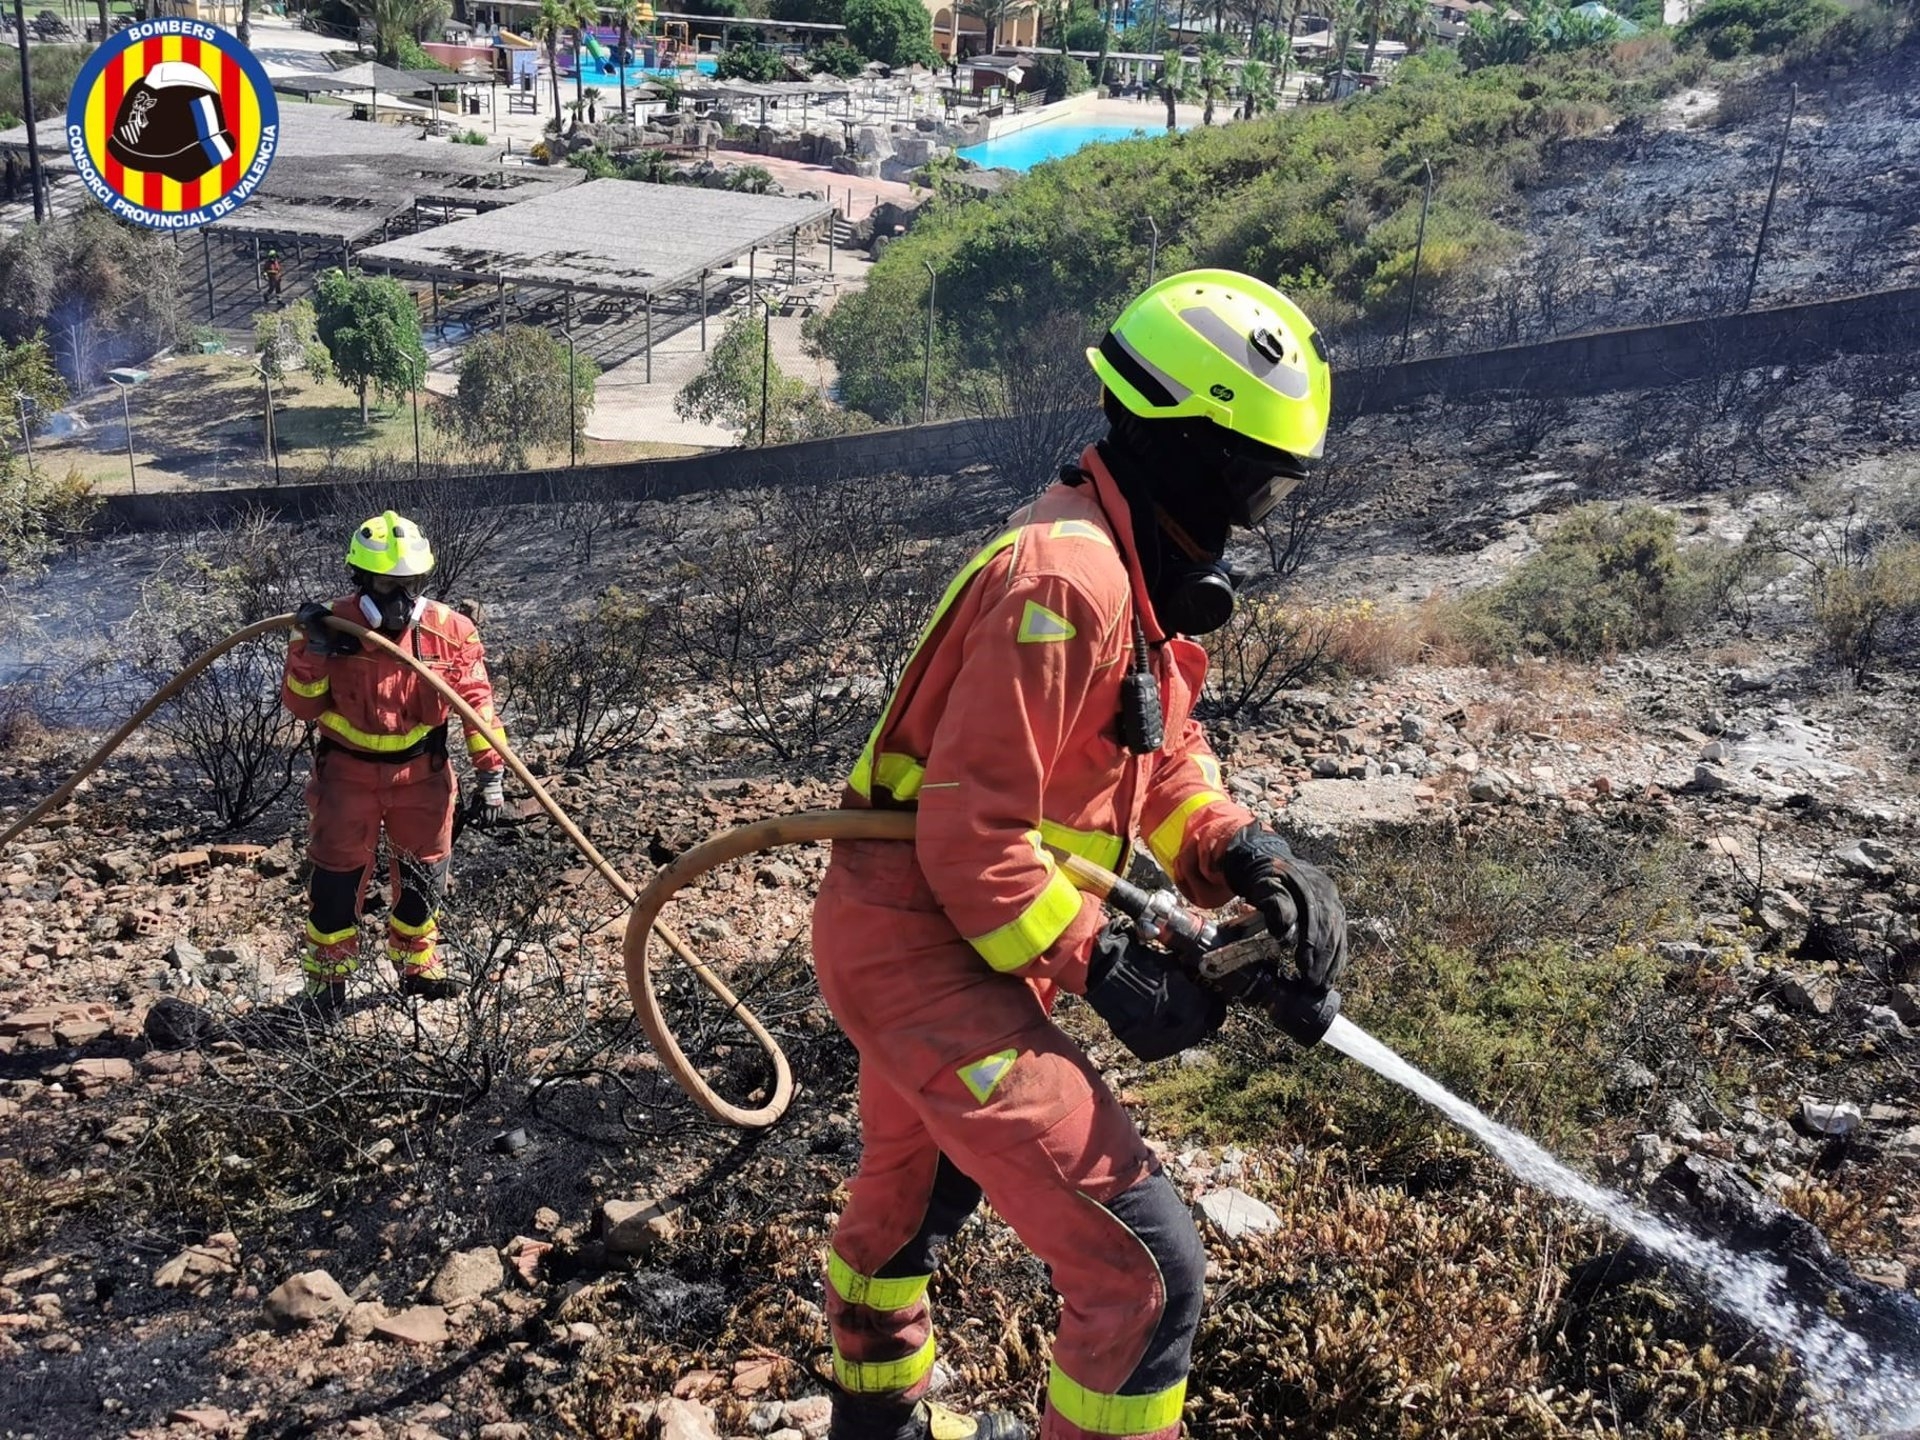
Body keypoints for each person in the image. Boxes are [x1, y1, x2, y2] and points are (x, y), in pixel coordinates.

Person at [810, 270, 1349, 1440]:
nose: (1251, 515)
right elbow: (974, 836)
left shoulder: (1120, 567)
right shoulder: (1067, 581)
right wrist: (1107, 964)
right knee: (1147, 1277)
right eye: (1254, 486)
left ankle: (875, 1421)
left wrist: (1237, 849)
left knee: (914, 1194)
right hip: (921, 951)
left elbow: (1157, 755)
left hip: (932, 942)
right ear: (1190, 452)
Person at [281, 512, 510, 1013]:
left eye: (410, 585)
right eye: (388, 585)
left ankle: (418, 967)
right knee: (337, 880)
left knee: (426, 873)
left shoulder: (450, 630)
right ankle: (327, 983)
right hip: (347, 776)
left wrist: (489, 775)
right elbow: (301, 705)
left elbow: (477, 703)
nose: (400, 600)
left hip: (421, 775)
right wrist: (316, 650)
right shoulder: (328, 624)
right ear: (361, 580)